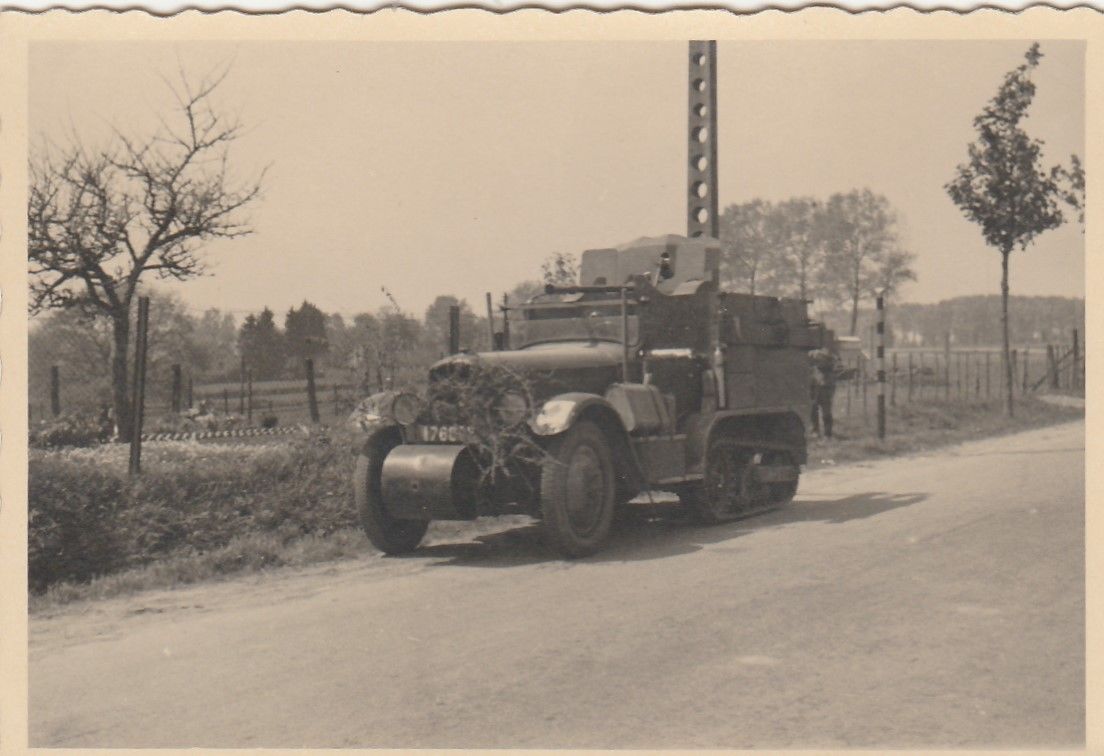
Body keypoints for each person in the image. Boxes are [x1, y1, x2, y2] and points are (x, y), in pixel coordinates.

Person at [809, 347, 840, 439]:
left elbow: (832, 384)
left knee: (826, 413)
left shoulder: (829, 372)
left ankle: (827, 433)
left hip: (826, 390)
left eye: (821, 360)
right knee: (813, 410)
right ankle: (815, 430)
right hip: (816, 390)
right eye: (818, 360)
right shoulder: (815, 370)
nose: (819, 362)